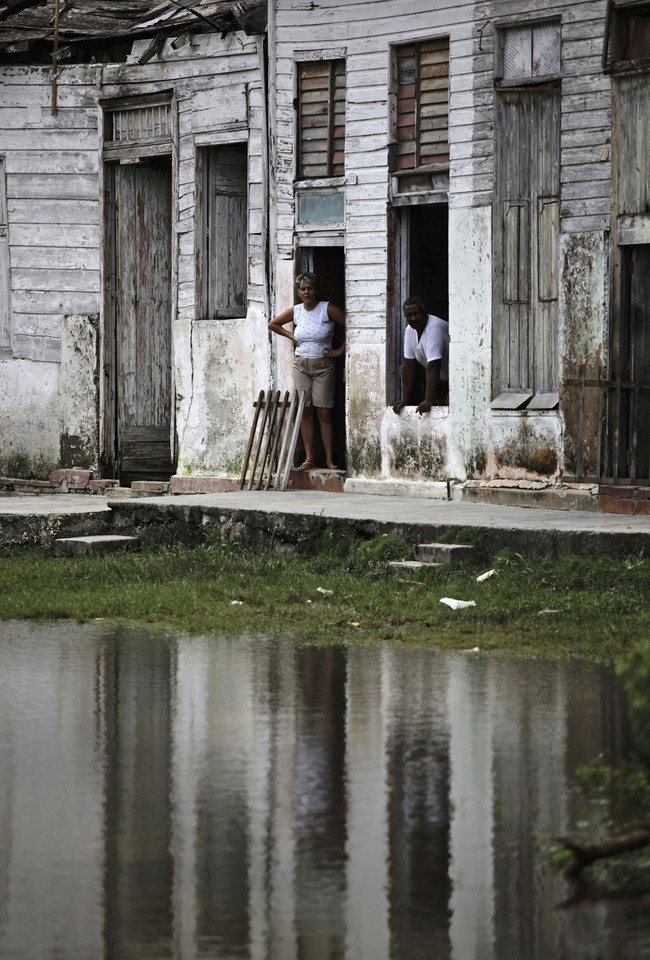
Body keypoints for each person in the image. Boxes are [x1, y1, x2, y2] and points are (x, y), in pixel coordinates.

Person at [268, 272, 345, 470]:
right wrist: (291, 337)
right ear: (298, 292)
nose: (306, 292)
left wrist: (340, 350)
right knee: (305, 411)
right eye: (303, 289)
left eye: (310, 288)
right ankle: (309, 458)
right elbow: (273, 324)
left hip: (323, 367)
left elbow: (351, 325)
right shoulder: (297, 311)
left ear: (316, 290)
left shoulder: (327, 308)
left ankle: (329, 459)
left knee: (324, 413)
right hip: (301, 365)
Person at [392, 297, 449, 415]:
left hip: (457, 378)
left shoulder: (434, 328)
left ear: (425, 314)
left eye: (416, 314)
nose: (413, 318)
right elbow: (409, 365)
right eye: (409, 315)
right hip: (441, 380)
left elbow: (433, 365)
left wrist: (428, 400)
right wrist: (405, 400)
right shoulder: (410, 330)